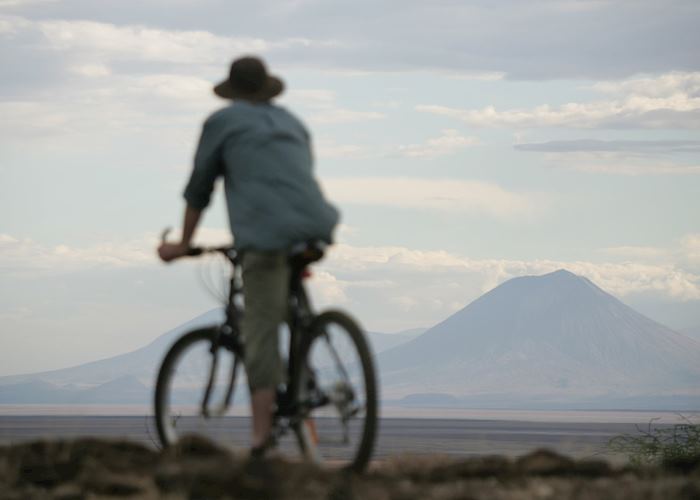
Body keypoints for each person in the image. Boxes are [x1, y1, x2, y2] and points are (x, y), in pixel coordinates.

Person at [157, 56, 339, 455]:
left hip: (265, 236)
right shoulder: (292, 122)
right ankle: (306, 360)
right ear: (266, 89)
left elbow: (200, 187)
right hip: (316, 225)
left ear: (233, 91)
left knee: (259, 331)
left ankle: (260, 440)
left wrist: (184, 244)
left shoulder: (222, 123)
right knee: (286, 300)